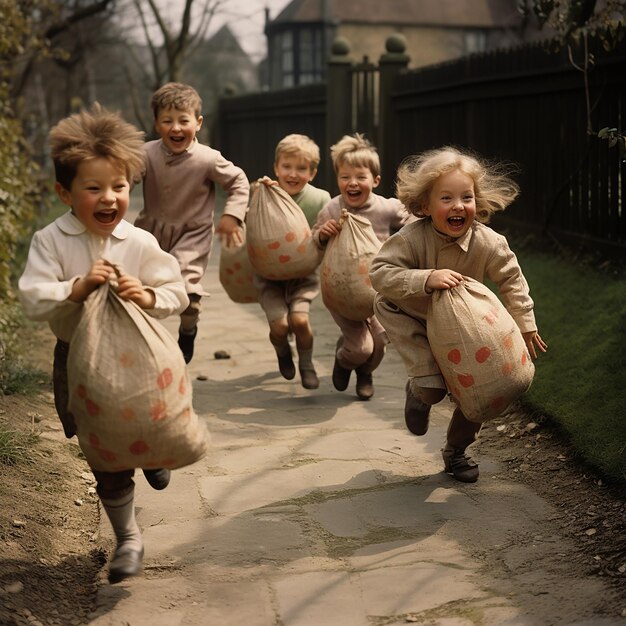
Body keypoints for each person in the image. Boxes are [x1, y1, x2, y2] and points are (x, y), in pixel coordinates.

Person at [18, 104, 189, 583]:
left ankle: (154, 455)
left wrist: (148, 293)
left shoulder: (139, 242)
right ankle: (128, 537)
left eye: (118, 187)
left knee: (144, 425)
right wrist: (73, 288)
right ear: (65, 192)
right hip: (78, 359)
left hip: (138, 357)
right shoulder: (51, 241)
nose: (109, 197)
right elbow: (32, 296)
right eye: (93, 188)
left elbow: (176, 292)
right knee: (102, 452)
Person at [369, 146, 548, 483]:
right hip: (414, 318)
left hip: (463, 325)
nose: (458, 206)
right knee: (433, 389)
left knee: (477, 393)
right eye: (446, 198)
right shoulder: (410, 238)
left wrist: (525, 324)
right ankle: (419, 392)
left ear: (476, 203)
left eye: (466, 197)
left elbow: (512, 278)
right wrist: (425, 278)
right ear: (424, 205)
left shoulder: (488, 242)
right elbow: (379, 273)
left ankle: (456, 452)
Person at [135, 82, 250, 363]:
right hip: (150, 232)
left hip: (192, 235)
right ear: (157, 124)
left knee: (187, 293)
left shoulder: (207, 158)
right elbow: (123, 179)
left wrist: (232, 215)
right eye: (167, 121)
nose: (176, 128)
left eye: (183, 121)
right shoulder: (145, 154)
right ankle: (144, 343)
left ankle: (188, 329)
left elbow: (239, 181)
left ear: (197, 123)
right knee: (141, 290)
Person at [312, 133, 413, 400]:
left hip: (377, 293)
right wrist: (324, 233)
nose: (352, 183)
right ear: (337, 180)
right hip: (342, 293)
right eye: (345, 177)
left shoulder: (386, 208)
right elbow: (314, 239)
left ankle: (365, 373)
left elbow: (413, 219)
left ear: (375, 180)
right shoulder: (332, 209)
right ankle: (344, 360)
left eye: (360, 177)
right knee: (360, 348)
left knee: (378, 346)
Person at [257, 134, 331, 389]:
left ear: (312, 172)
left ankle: (307, 363)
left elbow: (324, 233)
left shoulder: (320, 199)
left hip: (303, 274)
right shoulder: (266, 194)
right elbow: (254, 227)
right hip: (270, 277)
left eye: (301, 168)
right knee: (279, 326)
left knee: (299, 321)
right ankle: (283, 351)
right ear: (276, 167)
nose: (292, 174)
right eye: (286, 167)